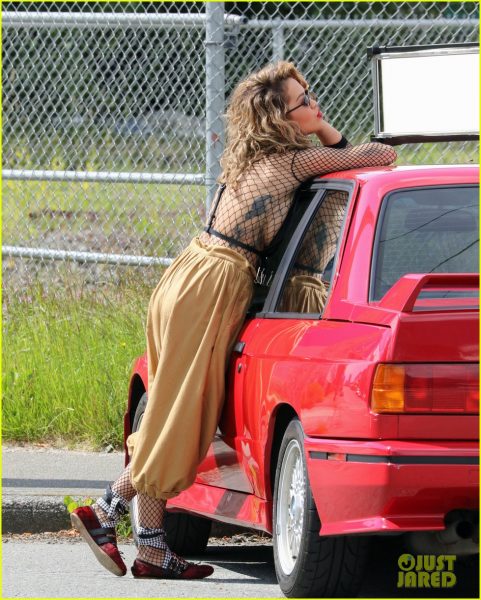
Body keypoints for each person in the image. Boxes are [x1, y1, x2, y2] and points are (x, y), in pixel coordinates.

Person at [70, 61, 397, 580]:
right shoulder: (292, 162)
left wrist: (312, 120)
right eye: (303, 101)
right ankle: (106, 507)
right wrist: (326, 128)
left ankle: (152, 548)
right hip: (213, 283)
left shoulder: (256, 158)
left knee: (166, 411)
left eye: (310, 93)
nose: (313, 103)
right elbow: (379, 156)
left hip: (189, 275)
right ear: (278, 118)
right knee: (183, 415)